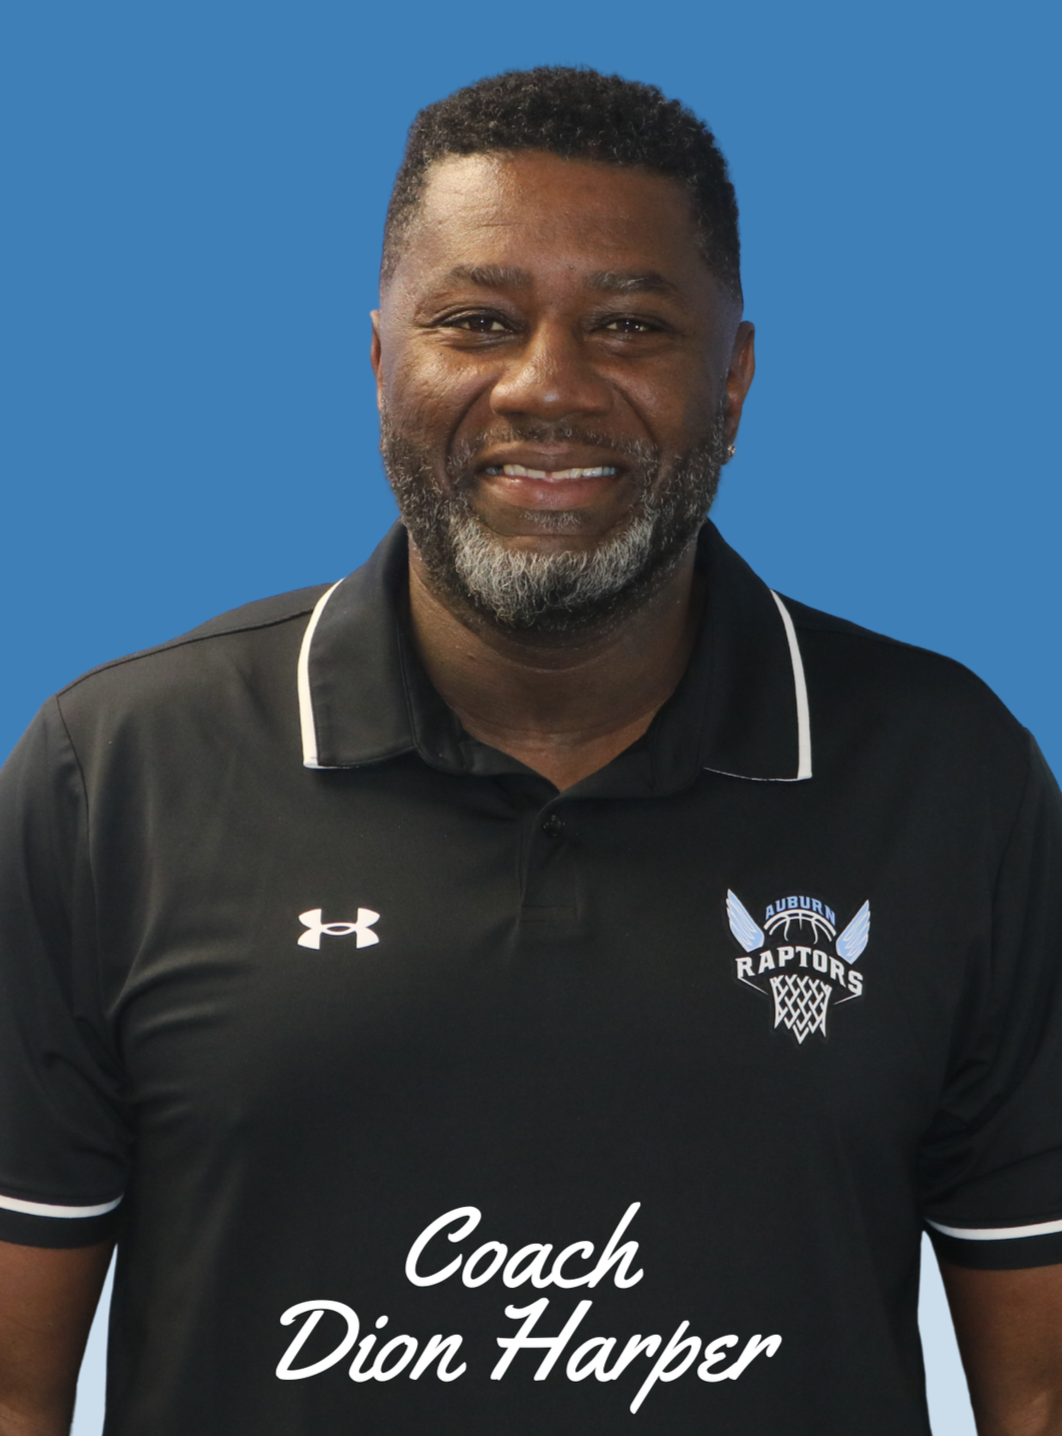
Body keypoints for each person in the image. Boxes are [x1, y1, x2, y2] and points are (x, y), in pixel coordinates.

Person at [0, 65, 1060, 1436]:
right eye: (477, 321)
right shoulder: (116, 774)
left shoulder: (947, 778)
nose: (547, 387)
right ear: (384, 362)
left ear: (730, 377)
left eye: (627, 324)